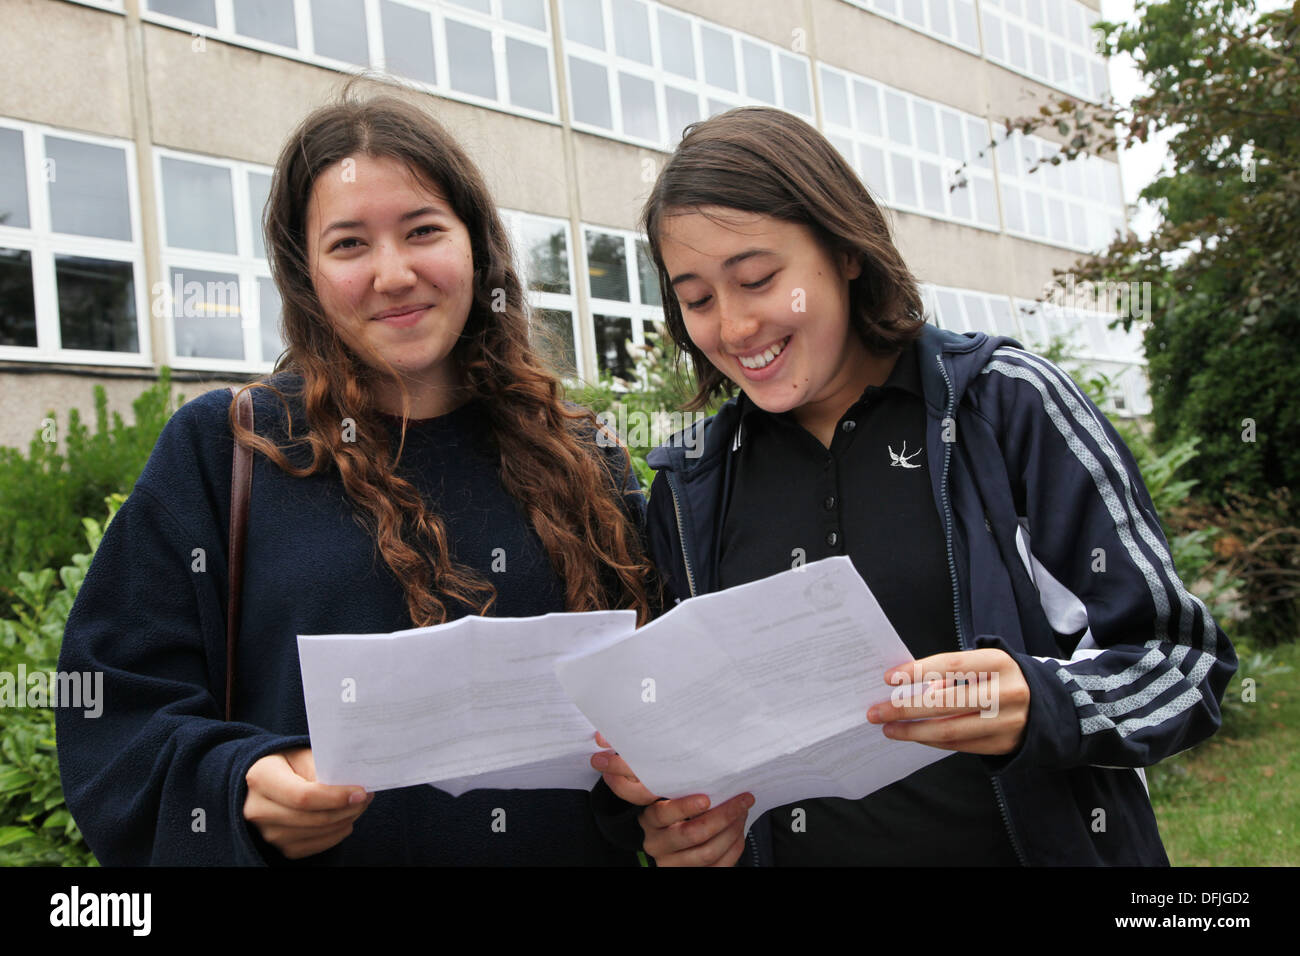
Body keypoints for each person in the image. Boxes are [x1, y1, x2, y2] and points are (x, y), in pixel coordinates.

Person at [591, 107, 1237, 866]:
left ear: (845, 251)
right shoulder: (692, 484)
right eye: (697, 300)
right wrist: (690, 826)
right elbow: (693, 742)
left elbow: (1183, 666)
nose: (733, 327)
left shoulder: (1007, 406)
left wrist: (1043, 702)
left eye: (758, 279)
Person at [55, 85, 654, 866]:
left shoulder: (582, 453)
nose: (394, 273)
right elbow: (112, 713)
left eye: (423, 230)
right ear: (305, 273)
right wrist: (242, 786)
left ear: (476, 246)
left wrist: (664, 799)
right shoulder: (228, 447)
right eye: (348, 244)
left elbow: (655, 707)